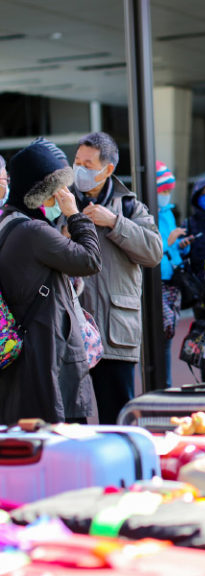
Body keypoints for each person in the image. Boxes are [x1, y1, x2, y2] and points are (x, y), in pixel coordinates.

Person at [0, 140, 102, 424]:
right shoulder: (33, 231)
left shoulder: (9, 223)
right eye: (55, 193)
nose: (62, 197)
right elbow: (90, 260)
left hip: (28, 360)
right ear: (38, 194)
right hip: (49, 360)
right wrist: (74, 215)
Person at [72, 131, 163, 424]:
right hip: (72, 332)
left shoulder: (129, 206)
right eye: (77, 161)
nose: (80, 169)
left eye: (87, 163)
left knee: (117, 418)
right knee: (73, 418)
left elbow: (153, 252)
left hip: (115, 331)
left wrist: (114, 222)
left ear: (107, 169)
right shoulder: (63, 202)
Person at [156, 162, 192, 388]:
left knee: (167, 333)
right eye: (163, 191)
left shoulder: (167, 213)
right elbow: (150, 248)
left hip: (172, 281)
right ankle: (163, 383)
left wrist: (181, 245)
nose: (167, 195)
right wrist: (169, 242)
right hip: (156, 282)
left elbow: (170, 248)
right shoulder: (147, 213)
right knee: (162, 333)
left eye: (169, 191)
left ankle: (166, 383)